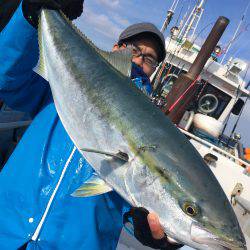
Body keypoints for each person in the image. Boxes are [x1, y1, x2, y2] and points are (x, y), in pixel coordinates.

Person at [0, 1, 183, 249]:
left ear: (153, 70)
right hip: (7, 227)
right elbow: (7, 80)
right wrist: (28, 15)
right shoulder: (61, 84)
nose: (139, 60)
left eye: (149, 58)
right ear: (117, 48)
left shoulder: (153, 129)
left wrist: (156, 231)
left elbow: (139, 199)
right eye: (134, 49)